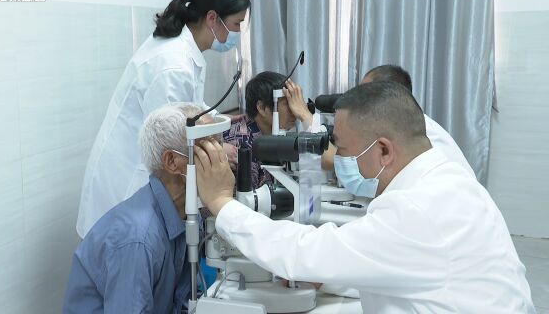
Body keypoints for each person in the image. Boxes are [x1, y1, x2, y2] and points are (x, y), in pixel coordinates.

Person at [194, 82, 535, 313]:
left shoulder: (417, 211)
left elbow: (303, 252)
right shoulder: (449, 179)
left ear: (384, 150)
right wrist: (329, 276)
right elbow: (399, 271)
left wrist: (223, 204)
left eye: (341, 147)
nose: (337, 156)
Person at [76, 0, 250, 238]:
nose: (237, 34)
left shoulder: (184, 52)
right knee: (124, 260)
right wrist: (220, 149)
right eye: (237, 24)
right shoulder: (172, 64)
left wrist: (228, 124)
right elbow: (171, 138)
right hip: (126, 184)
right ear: (213, 18)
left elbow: (191, 107)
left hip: (142, 177)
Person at [63, 103, 209, 314]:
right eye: (206, 151)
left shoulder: (185, 217)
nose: (220, 162)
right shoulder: (138, 239)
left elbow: (185, 301)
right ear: (172, 161)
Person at [322, 65, 476, 178]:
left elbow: (342, 163)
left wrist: (305, 115)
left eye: (365, 94)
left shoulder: (419, 135)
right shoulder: (411, 123)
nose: (358, 100)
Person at [223, 71, 321, 188]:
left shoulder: (275, 134)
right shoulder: (241, 145)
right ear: (262, 108)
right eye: (287, 103)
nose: (295, 110)